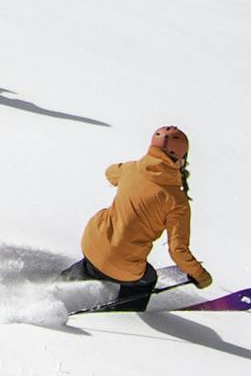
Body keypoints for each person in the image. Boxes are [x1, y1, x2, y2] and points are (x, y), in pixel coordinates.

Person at [64, 126, 212, 315]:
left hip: (93, 244)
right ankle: (124, 315)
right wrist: (201, 276)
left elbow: (110, 172)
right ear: (181, 159)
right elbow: (178, 250)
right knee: (147, 280)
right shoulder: (177, 201)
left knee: (91, 266)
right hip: (124, 265)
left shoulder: (131, 169)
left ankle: (57, 287)